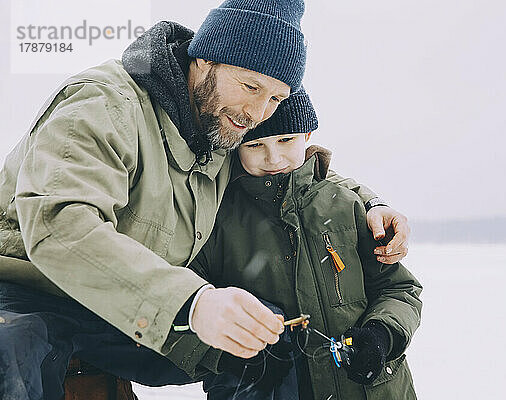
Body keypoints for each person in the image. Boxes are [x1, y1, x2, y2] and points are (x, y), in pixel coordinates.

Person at [0, 0, 410, 399]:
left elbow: (289, 175)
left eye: (276, 98)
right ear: (206, 59)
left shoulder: (220, 129)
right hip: (24, 292)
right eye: (251, 85)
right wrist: (190, 304)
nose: (257, 113)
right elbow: (59, 226)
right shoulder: (105, 104)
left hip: (122, 310)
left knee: (263, 337)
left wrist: (370, 203)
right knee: (15, 350)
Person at [190, 88, 422, 400]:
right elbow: (188, 306)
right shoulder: (215, 219)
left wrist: (381, 335)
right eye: (256, 144)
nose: (274, 158)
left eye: (286, 140)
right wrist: (232, 356)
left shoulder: (347, 206)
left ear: (308, 135)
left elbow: (398, 289)